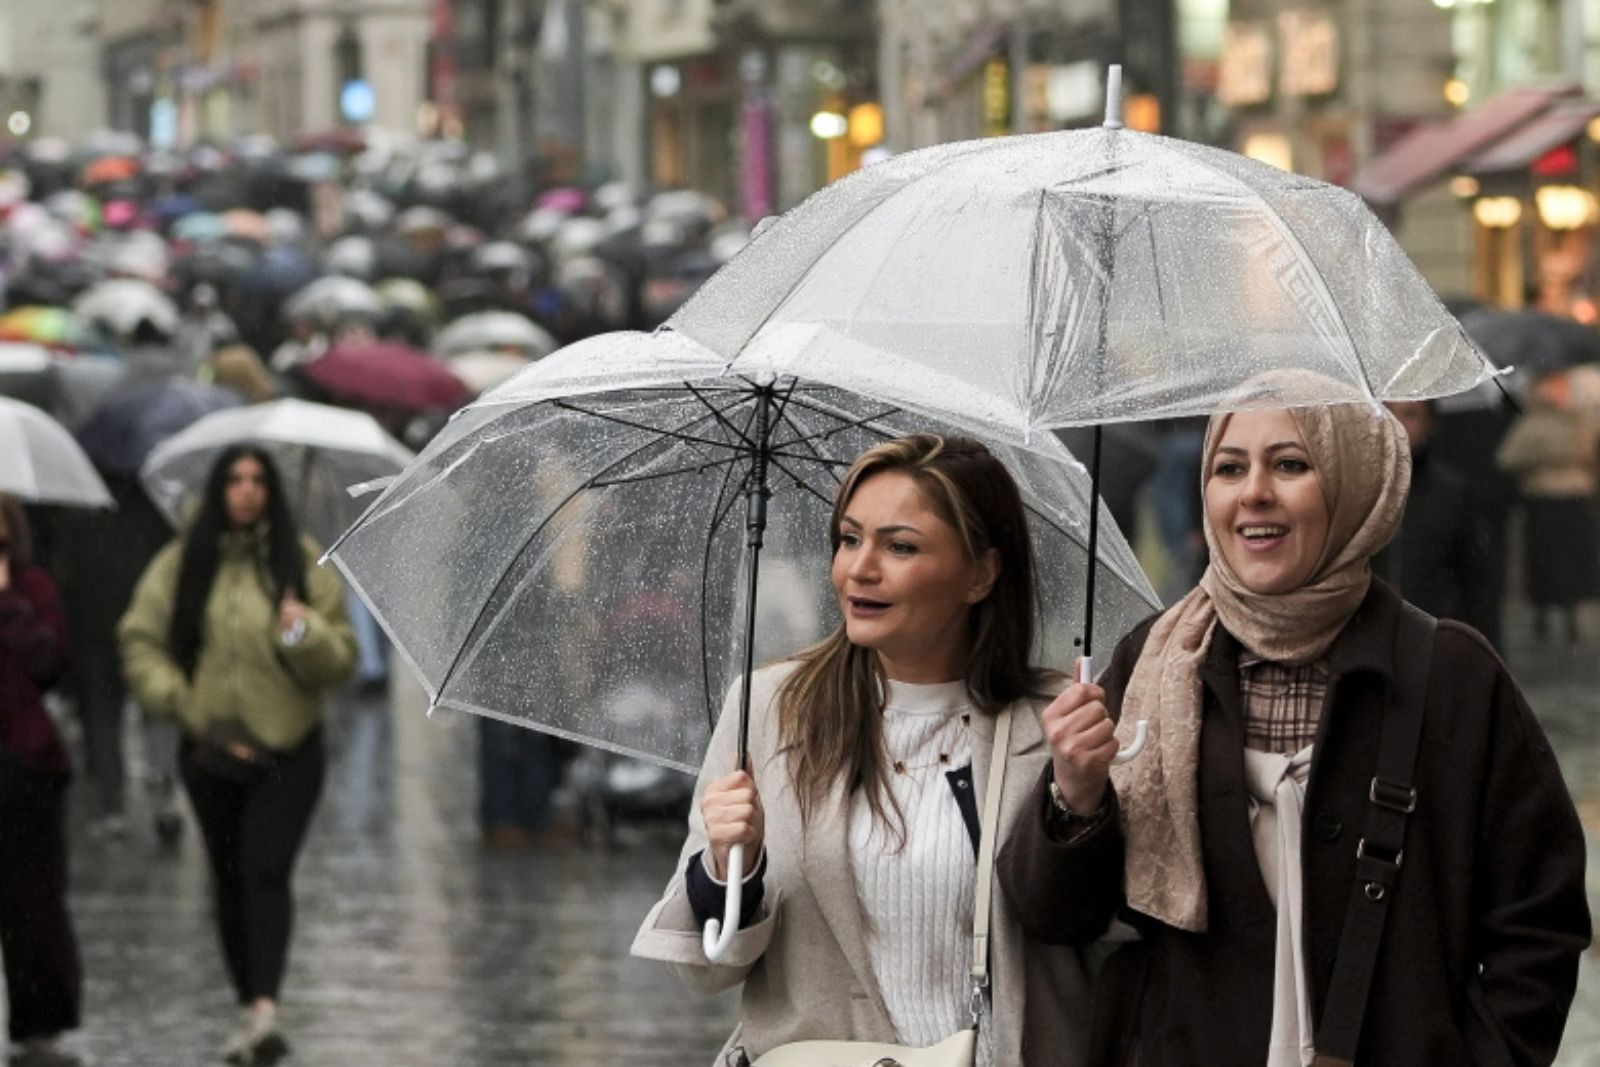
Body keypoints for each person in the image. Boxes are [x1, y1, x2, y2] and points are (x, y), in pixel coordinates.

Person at [1000, 395, 1590, 1065]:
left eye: (1289, 464)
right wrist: (1073, 797)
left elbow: (1539, 918)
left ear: (1351, 484)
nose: (1253, 493)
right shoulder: (1151, 664)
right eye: (1228, 467)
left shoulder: (1452, 675)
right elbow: (1054, 917)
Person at [632, 435, 1095, 1066]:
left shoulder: (1057, 726)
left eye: (899, 546)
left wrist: (1081, 801)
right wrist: (729, 866)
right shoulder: (771, 708)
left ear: (981, 574)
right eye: (850, 539)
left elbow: (1096, 939)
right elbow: (706, 968)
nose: (859, 568)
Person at [118, 445, 356, 1066]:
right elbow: (139, 640)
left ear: (271, 491)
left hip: (289, 753)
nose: (246, 491)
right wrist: (183, 703)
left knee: (264, 870)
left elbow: (342, 658)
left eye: (257, 480)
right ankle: (249, 1006)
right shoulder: (183, 562)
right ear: (219, 489)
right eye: (235, 480)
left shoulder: (299, 561)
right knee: (227, 881)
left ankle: (265, 1008)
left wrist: (302, 633)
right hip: (212, 753)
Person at [0, 493, 82, 1067]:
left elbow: (50, 664)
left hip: (25, 763)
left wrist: (7, 602)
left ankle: (40, 1021)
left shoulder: (33, 588)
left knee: (32, 902)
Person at [1377, 400, 1499, 641]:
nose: (1397, 425)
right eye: (1388, 413)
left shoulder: (1452, 493)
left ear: (1429, 424)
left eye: (1410, 415)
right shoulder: (1353, 488)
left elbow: (1476, 581)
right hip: (1369, 639)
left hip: (1433, 639)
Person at [1496, 373, 1600, 647]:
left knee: (1548, 560)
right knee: (1565, 560)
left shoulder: (1534, 423)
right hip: (1570, 499)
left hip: (1547, 501)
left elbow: (1508, 458)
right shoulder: (1576, 421)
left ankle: (1547, 616)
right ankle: (1567, 620)